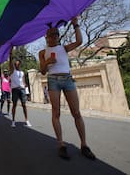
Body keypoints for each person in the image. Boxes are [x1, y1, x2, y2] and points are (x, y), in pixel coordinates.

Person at [38, 16, 96, 160]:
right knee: (56, 112)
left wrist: (75, 24)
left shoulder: (64, 48)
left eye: (57, 34)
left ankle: (84, 145)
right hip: (53, 81)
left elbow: (79, 42)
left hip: (68, 79)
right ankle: (61, 144)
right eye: (52, 34)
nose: (55, 36)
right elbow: (43, 71)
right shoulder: (42, 52)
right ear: (47, 37)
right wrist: (47, 62)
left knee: (76, 113)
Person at [9, 52, 32, 128]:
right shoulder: (13, 71)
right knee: (14, 105)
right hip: (15, 89)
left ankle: (27, 120)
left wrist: (26, 89)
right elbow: (10, 64)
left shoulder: (22, 72)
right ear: (15, 65)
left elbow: (24, 82)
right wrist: (10, 55)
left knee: (24, 105)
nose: (17, 65)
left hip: (22, 89)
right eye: (16, 64)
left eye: (18, 64)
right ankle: (13, 121)